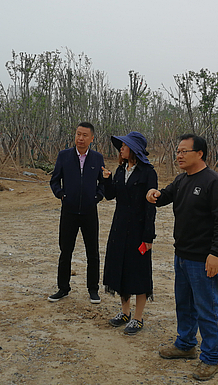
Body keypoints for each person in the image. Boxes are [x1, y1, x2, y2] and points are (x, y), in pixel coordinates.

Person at [146, 134, 218, 382]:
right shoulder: (181, 180)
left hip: (202, 258)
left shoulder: (214, 182)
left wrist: (216, 253)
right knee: (184, 304)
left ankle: (211, 358)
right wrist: (154, 193)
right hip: (181, 255)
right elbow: (164, 197)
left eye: (184, 151)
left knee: (207, 308)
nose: (179, 156)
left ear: (200, 153)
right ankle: (185, 344)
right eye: (178, 151)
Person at [101, 131, 157, 335]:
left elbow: (151, 206)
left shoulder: (148, 172)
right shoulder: (120, 170)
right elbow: (110, 196)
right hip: (119, 227)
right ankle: (125, 312)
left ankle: (137, 318)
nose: (121, 149)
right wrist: (106, 180)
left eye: (124, 146)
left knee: (139, 273)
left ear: (134, 149)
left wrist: (148, 236)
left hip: (138, 230)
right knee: (121, 269)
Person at [49, 122, 105, 304]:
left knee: (92, 252)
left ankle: (93, 289)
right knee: (65, 250)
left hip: (89, 211)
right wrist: (61, 195)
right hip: (69, 211)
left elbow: (103, 183)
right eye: (78, 134)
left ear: (92, 138)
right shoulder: (64, 156)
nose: (80, 138)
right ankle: (63, 288)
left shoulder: (97, 158)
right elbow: (54, 180)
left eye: (85, 135)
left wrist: (97, 197)